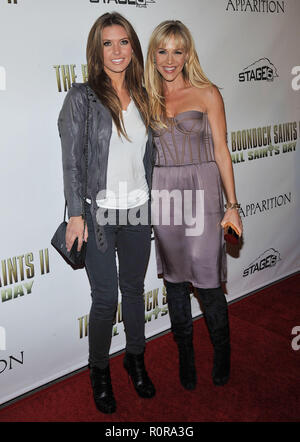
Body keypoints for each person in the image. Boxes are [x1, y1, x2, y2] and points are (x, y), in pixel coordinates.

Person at [58, 12, 155, 414]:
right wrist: (76, 214)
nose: (116, 51)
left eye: (123, 42)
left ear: (133, 46)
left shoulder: (146, 95)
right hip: (98, 214)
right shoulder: (82, 97)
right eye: (107, 43)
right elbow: (72, 162)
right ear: (97, 51)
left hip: (138, 209)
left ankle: (136, 358)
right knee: (104, 299)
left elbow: (148, 156)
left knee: (134, 290)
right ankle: (99, 370)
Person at [145, 20, 243, 390]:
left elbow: (221, 150)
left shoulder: (207, 92)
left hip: (203, 192)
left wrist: (232, 204)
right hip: (164, 192)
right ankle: (186, 353)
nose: (170, 59)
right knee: (173, 281)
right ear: (153, 55)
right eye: (163, 51)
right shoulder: (147, 97)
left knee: (207, 281)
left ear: (188, 55)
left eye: (178, 51)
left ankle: (222, 351)